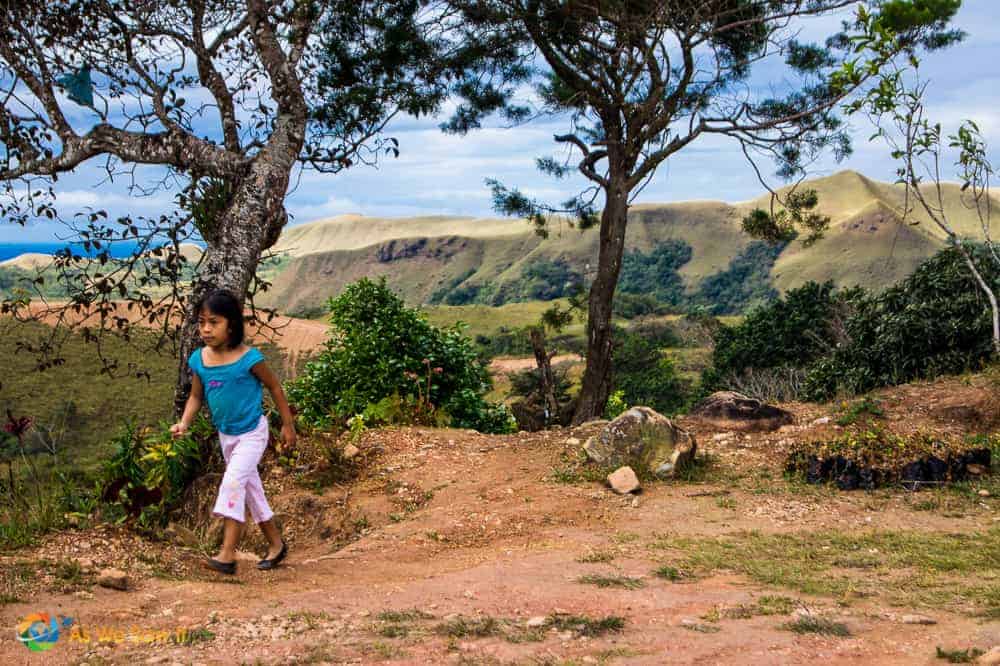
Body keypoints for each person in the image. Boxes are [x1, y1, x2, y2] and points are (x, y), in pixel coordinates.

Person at [171, 289, 296, 575]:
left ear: (232, 324)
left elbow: (275, 387)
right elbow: (195, 397)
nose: (205, 329)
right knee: (252, 491)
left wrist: (287, 425)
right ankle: (277, 546)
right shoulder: (199, 360)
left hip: (252, 433)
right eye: (201, 322)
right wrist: (184, 423)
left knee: (233, 484)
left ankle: (227, 556)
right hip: (227, 436)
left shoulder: (249, 359)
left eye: (213, 322)